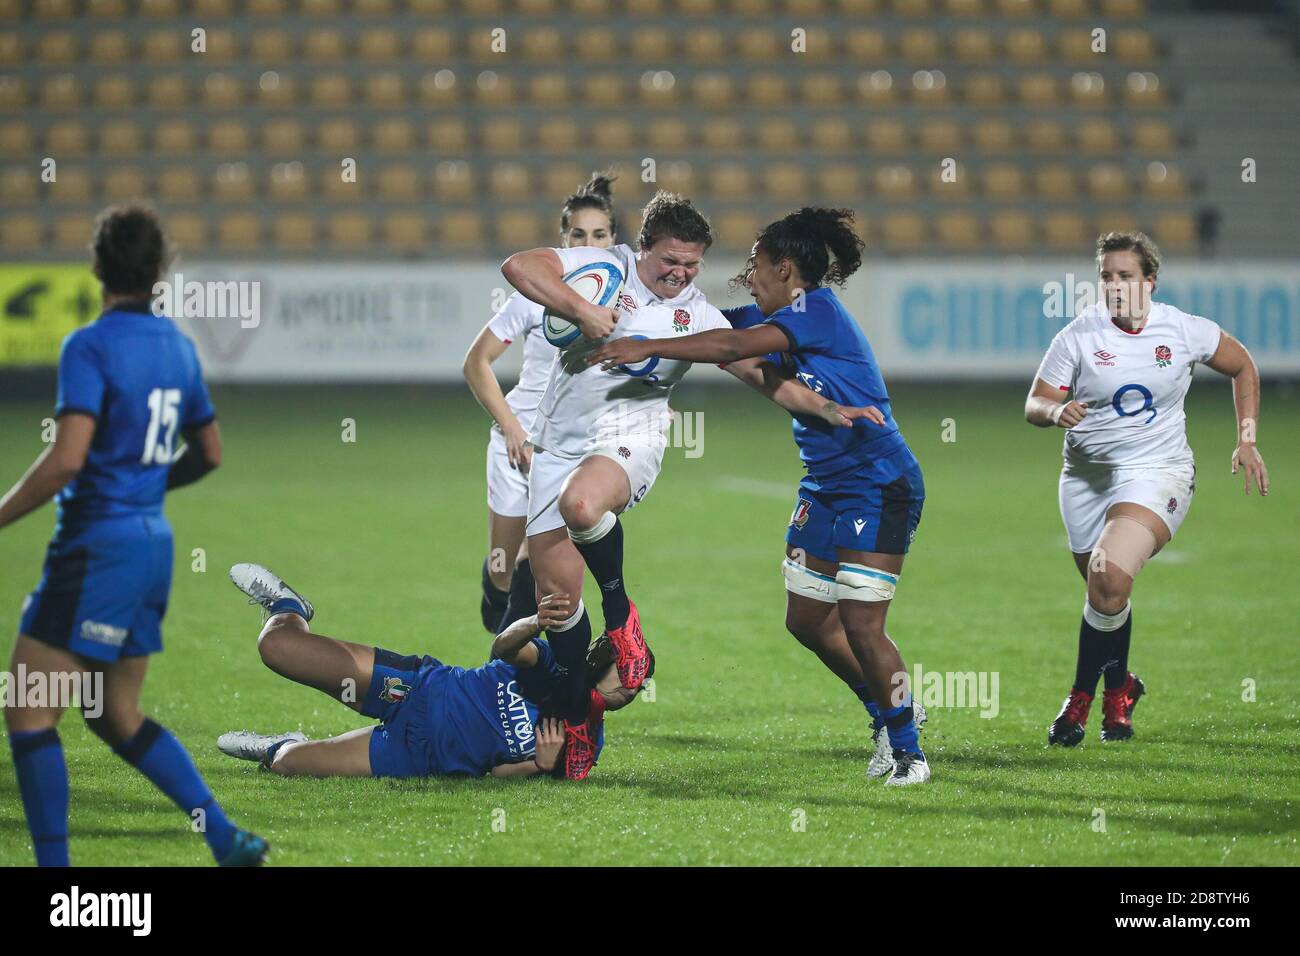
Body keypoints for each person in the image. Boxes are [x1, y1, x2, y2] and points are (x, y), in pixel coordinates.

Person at [501, 195, 884, 779]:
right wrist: (581, 308)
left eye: (692, 265)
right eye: (669, 262)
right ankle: (582, 715)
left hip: (634, 433)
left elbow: (763, 376)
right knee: (556, 610)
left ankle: (621, 613)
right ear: (643, 249)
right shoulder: (604, 270)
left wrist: (830, 409)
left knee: (582, 506)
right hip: (557, 441)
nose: (680, 275)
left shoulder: (698, 313)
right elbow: (518, 267)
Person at [588, 207, 931, 785]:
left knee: (862, 626)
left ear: (785, 267)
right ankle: (886, 707)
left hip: (878, 483)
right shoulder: (779, 315)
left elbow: (728, 344)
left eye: (758, 263)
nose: (750, 273)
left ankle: (906, 748)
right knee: (807, 621)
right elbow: (709, 327)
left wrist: (645, 345)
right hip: (824, 486)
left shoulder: (814, 309)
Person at [0, 205, 267, 864]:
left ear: (97, 266)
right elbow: (210, 450)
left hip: (96, 549)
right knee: (114, 715)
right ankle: (224, 836)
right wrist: (149, 486)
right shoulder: (177, 346)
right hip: (153, 546)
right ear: (160, 270)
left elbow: (66, 458)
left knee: (29, 711)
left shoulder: (88, 346)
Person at [1025, 231, 1268, 746]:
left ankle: (1080, 701)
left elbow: (1242, 364)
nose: (1114, 286)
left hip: (1159, 471)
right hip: (1086, 480)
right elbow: (1035, 403)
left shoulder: (1181, 330)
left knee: (1109, 576)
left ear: (1149, 281)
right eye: (1106, 277)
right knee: (1105, 595)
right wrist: (1054, 411)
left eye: (1125, 276)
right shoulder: (1078, 336)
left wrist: (1246, 439)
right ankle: (1123, 691)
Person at [219, 564, 646, 780]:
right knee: (276, 648)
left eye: (638, 681)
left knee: (286, 765)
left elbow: (496, 773)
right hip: (417, 691)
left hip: (418, 757)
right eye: (626, 672)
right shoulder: (553, 671)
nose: (633, 685)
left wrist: (538, 764)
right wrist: (534, 622)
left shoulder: (586, 742)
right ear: (600, 660)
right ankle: (289, 608)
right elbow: (502, 647)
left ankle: (280, 745)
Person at [462, 173, 619, 634]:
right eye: (578, 234)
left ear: (613, 239)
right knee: (504, 569)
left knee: (546, 567)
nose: (589, 242)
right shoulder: (535, 295)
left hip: (573, 447)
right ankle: (497, 599)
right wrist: (511, 427)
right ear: (563, 239)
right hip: (519, 440)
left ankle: (522, 678)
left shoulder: (625, 298)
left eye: (600, 234)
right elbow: (477, 364)